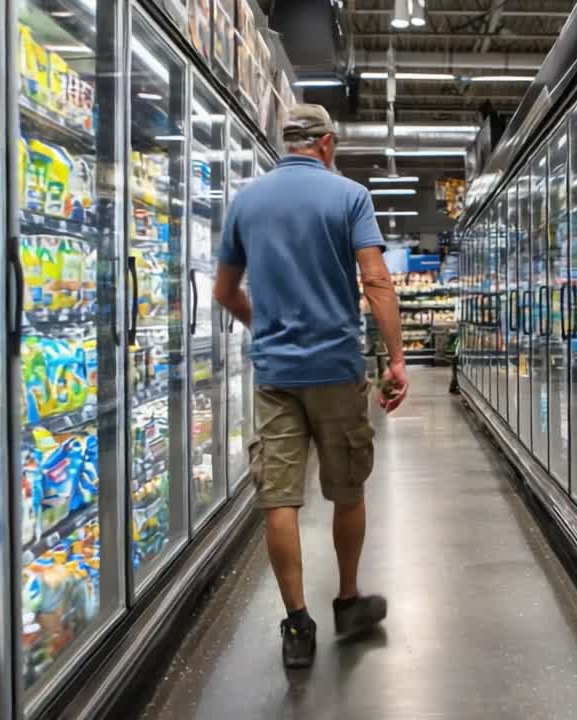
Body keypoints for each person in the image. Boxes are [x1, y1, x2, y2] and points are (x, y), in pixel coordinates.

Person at [212, 103, 409, 669]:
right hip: (337, 369)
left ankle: (297, 625)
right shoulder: (349, 196)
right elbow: (375, 279)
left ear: (286, 143)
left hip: (276, 376)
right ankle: (348, 600)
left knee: (280, 498)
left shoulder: (246, 202)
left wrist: (266, 327)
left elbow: (225, 293)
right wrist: (396, 361)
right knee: (347, 489)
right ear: (327, 143)